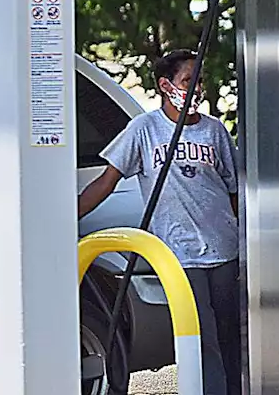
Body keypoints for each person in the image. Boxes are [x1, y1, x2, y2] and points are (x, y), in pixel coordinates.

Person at [77, 49, 241, 395]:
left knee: (230, 334)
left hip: (224, 249)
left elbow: (233, 191)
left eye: (199, 81)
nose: (196, 88)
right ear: (167, 85)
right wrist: (66, 217)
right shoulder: (144, 129)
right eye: (187, 81)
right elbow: (106, 182)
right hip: (180, 254)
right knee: (202, 335)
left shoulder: (214, 132)